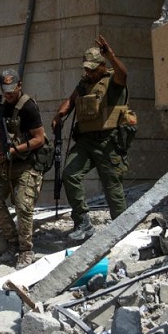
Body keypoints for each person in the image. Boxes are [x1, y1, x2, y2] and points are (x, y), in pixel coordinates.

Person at [51, 35, 131, 240]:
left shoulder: (113, 80)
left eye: (93, 68)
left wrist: (112, 55)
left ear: (103, 65)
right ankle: (82, 223)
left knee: (112, 185)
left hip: (108, 141)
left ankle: (122, 231)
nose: (89, 72)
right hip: (86, 141)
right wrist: (60, 115)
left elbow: (124, 73)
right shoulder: (85, 82)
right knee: (70, 173)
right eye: (87, 68)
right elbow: (70, 101)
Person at [0, 68, 46, 269]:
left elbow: (39, 138)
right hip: (7, 164)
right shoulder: (0, 106)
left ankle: (26, 250)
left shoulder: (28, 107)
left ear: (19, 85)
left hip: (27, 164)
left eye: (12, 90)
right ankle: (12, 242)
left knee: (23, 206)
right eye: (5, 90)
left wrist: (15, 150)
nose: (9, 94)